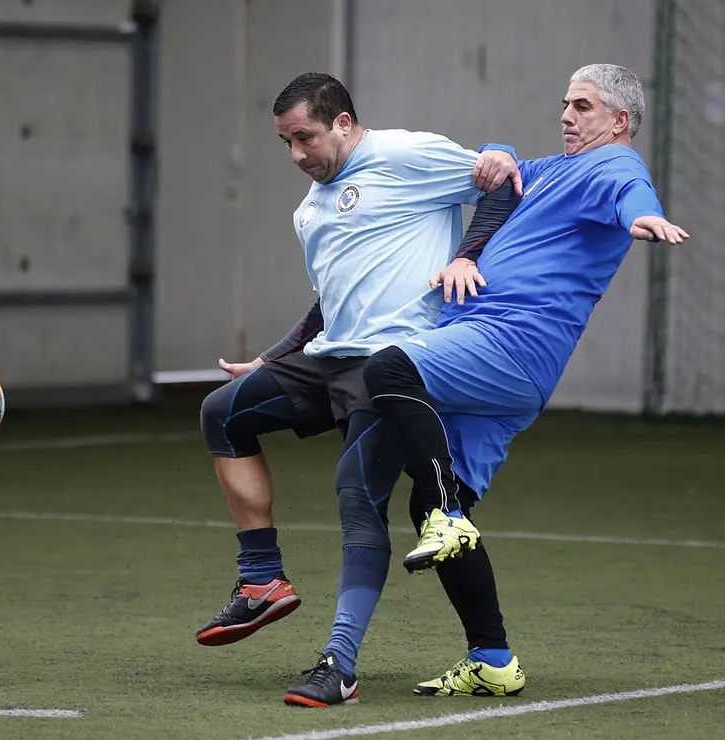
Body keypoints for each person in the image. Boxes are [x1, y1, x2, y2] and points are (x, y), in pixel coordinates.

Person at [340, 63, 689, 698]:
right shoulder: (552, 170)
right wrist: (497, 154)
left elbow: (630, 193)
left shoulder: (613, 166)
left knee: (388, 367)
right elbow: (505, 169)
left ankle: (445, 513)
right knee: (429, 505)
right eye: (565, 104)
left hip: (508, 347)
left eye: (582, 106)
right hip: (498, 365)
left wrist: (645, 217)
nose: (567, 115)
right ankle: (493, 659)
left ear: (620, 121)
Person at [195, 72, 522, 707]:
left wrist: (468, 254)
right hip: (329, 358)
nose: (297, 155)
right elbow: (332, 301)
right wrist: (271, 357)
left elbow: (502, 184)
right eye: (286, 143)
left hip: (394, 366)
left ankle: (339, 665)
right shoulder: (308, 211)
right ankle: (261, 580)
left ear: (343, 123)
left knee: (357, 493)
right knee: (222, 414)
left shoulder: (405, 153)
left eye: (305, 138)